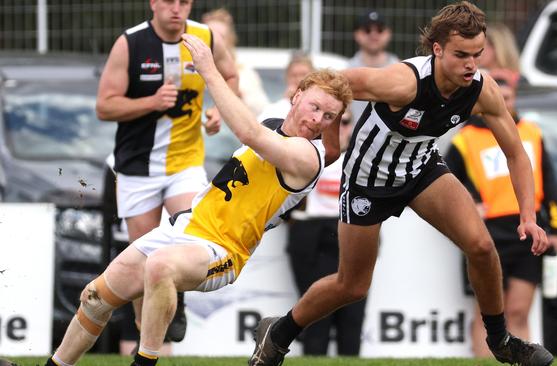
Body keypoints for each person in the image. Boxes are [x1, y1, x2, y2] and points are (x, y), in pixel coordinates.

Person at [248, 2, 554, 366]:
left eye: (477, 54)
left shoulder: (481, 88)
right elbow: (332, 84)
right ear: (437, 49)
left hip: (420, 170)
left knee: (482, 247)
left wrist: (528, 216)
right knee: (352, 285)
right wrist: (330, 144)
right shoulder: (402, 82)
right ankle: (278, 332)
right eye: (460, 55)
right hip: (367, 181)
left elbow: (517, 154)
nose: (471, 65)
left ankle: (501, 342)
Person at [43, 33, 352, 366]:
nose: (318, 120)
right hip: (186, 226)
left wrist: (208, 69)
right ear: (298, 94)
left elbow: (249, 133)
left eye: (329, 117)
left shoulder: (307, 156)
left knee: (161, 266)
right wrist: (219, 112)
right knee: (93, 298)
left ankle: (144, 362)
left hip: (221, 250)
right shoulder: (271, 124)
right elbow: (250, 125)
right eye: (316, 107)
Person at [94, 0, 239, 353]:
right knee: (141, 259)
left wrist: (218, 108)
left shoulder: (203, 36)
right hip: (137, 167)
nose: (177, 9)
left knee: (191, 234)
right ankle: (149, 347)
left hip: (184, 162)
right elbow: (104, 106)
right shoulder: (130, 43)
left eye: (184, 2)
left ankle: (179, 304)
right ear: (154, 4)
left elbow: (230, 76)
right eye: (170, 1)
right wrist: (152, 102)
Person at [445, 74, 557, 357]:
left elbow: (549, 182)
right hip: (487, 232)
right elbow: (444, 178)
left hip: (528, 227)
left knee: (518, 310)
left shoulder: (531, 133)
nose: (502, 104)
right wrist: (470, 202)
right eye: (496, 98)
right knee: (488, 312)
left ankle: (524, 360)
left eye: (508, 98)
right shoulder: (466, 139)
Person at [286, 109, 365, 356]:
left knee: (353, 316)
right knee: (315, 317)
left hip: (350, 232)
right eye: (333, 122)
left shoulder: (362, 158)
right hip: (311, 234)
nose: (339, 128)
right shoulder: (308, 154)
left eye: (345, 122)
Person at [202, 8, 270, 116]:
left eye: (221, 37)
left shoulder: (244, 74)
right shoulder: (189, 69)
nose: (214, 42)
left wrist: (241, 98)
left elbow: (263, 111)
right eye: (210, 36)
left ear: (230, 40)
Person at [347, 9, 399, 122]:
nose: (373, 34)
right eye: (367, 30)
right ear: (357, 34)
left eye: (380, 30)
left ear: (388, 33)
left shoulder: (401, 69)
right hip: (354, 138)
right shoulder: (347, 71)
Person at [257, 51, 315, 122]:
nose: (299, 80)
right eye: (294, 75)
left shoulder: (321, 110)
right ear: (286, 78)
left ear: (314, 76)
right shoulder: (274, 110)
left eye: (303, 74)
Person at [477, 22, 522, 88]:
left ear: (496, 47)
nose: (475, 51)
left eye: (480, 46)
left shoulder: (494, 78)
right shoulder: (519, 78)